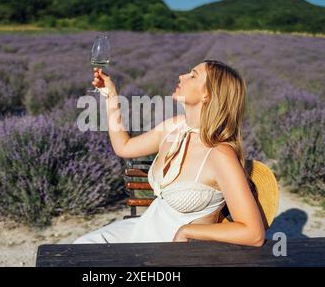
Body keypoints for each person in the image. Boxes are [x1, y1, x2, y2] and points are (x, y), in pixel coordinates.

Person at [73, 60, 265, 246]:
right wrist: (111, 97)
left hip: (173, 249)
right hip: (141, 230)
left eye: (193, 75)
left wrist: (187, 231)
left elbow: (253, 233)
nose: (182, 76)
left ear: (207, 95)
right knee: (79, 248)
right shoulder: (174, 127)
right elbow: (124, 147)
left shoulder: (220, 154)